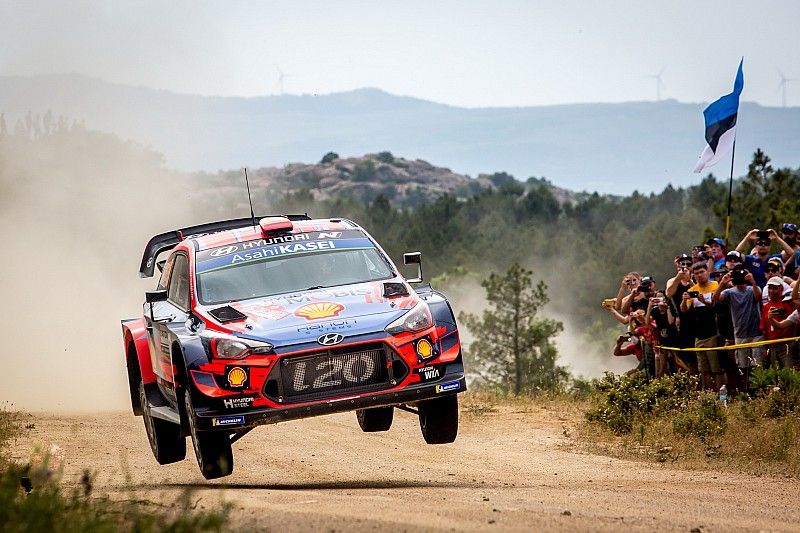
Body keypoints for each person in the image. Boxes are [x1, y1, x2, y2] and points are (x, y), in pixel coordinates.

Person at [714, 266, 763, 392]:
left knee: (757, 365)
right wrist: (722, 283)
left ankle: (759, 390)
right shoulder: (730, 292)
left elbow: (758, 298)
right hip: (740, 334)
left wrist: (753, 282)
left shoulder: (752, 289)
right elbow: (715, 298)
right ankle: (745, 391)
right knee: (743, 366)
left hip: (756, 332)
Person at [680, 262, 723, 390]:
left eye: (701, 272)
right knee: (703, 370)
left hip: (713, 332)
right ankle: (707, 397)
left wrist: (703, 300)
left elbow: (715, 305)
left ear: (707, 272)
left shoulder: (715, 285)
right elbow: (684, 309)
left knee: (716, 368)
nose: (699, 275)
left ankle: (722, 397)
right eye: (696, 273)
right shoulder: (692, 290)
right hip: (699, 335)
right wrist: (684, 299)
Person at [761, 278, 797, 368]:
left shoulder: (787, 303)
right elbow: (763, 328)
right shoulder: (766, 307)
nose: (772, 291)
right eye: (770, 288)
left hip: (786, 344)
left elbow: (794, 323)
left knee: (788, 371)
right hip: (772, 345)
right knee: (775, 374)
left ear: (781, 289)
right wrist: (766, 347)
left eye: (774, 288)